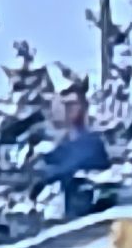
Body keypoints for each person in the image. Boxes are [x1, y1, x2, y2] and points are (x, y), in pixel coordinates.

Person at [41, 82, 112, 213]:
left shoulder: (94, 142)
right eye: (64, 104)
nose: (67, 109)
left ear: (83, 107)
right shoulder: (52, 145)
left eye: (72, 104)